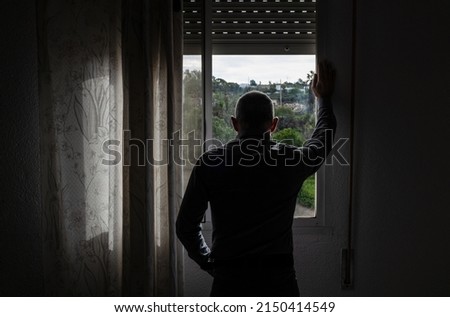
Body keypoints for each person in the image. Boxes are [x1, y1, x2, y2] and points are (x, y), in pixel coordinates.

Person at [176, 60, 337, 296]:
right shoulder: (290, 160)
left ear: (234, 123)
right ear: (273, 125)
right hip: (278, 279)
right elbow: (322, 139)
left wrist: (209, 262)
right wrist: (323, 98)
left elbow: (185, 227)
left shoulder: (210, 163)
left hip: (228, 278)